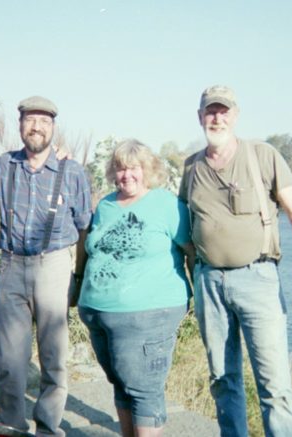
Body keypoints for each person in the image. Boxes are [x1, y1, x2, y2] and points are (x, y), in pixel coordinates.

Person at [179, 85, 292, 437]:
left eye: (224, 111)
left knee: (274, 385)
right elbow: (183, 230)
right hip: (209, 283)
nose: (217, 117)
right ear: (199, 117)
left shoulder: (262, 155)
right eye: (210, 111)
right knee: (223, 380)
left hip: (257, 279)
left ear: (235, 116)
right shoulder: (191, 167)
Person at [0, 95, 92, 437]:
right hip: (11, 265)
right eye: (30, 119)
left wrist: (80, 276)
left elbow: (86, 225)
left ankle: (48, 427)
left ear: (53, 128)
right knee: (10, 360)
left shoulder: (71, 172)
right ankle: (11, 425)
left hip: (55, 265)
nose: (36, 126)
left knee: (54, 356)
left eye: (43, 120)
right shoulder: (3, 165)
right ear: (20, 125)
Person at [75, 139, 194, 437]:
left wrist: (199, 298)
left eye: (133, 168)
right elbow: (90, 249)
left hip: (148, 314)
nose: (126, 175)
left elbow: (193, 252)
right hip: (99, 313)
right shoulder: (105, 205)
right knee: (121, 385)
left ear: (148, 170)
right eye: (120, 168)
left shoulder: (166, 205)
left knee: (143, 390)